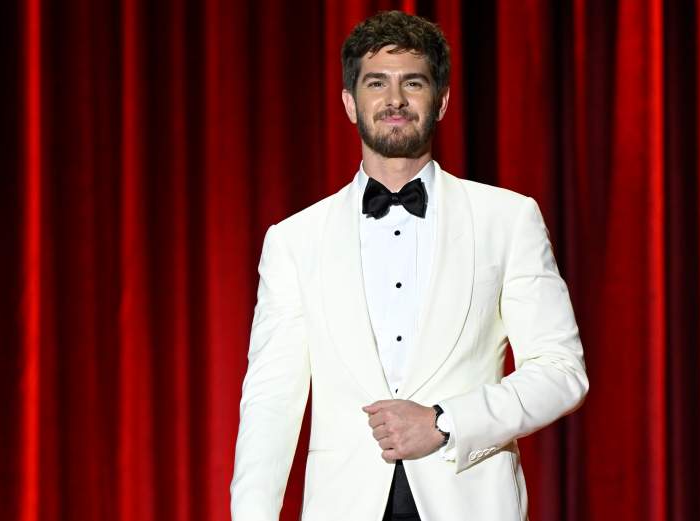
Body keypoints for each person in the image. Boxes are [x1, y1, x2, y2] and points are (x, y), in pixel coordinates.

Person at [230, 10, 588, 521]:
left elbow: (562, 373)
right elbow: (270, 403)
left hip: (472, 502)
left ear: (440, 101)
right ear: (350, 102)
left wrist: (447, 422)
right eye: (376, 83)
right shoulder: (294, 240)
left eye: (412, 82)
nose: (394, 100)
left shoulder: (507, 219)